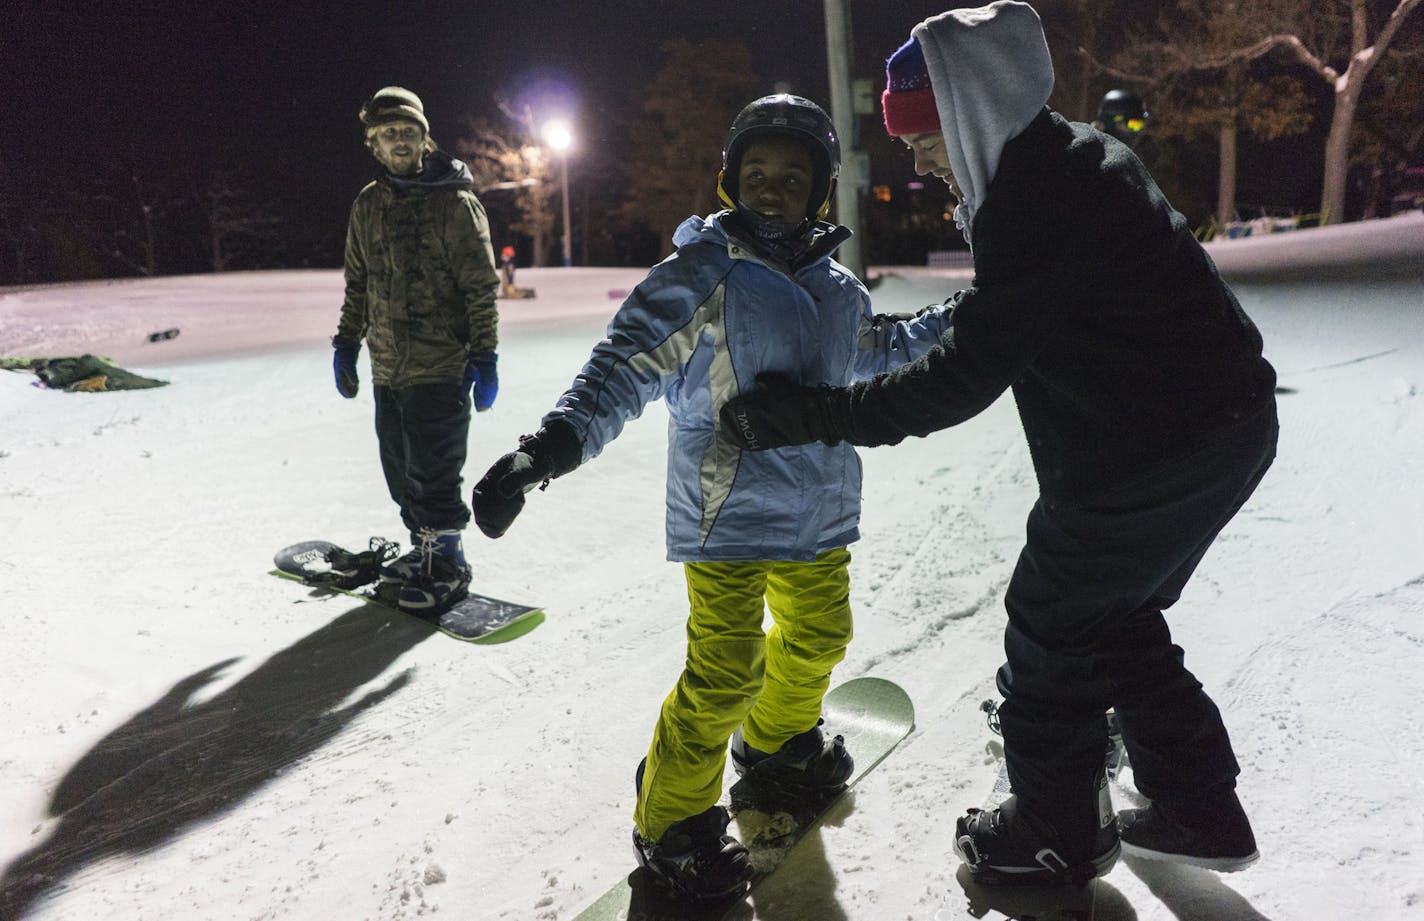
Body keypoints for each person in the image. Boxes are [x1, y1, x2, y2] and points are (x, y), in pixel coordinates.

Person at [720, 1, 1278, 887]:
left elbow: (959, 382)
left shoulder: (1035, 202)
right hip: (1218, 428)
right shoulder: (1068, 161)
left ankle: (1054, 833)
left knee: (1052, 626)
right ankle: (1197, 806)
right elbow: (1004, 319)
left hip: (1151, 453)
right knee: (1114, 615)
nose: (919, 158)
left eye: (924, 137)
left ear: (969, 110)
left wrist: (808, 414)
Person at [470, 94, 952, 901]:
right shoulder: (703, 273)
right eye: (755, 173)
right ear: (730, 180)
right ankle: (673, 823)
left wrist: (970, 319)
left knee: (821, 638)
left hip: (818, 512)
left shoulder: (838, 289)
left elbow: (878, 349)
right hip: (723, 510)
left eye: (792, 176)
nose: (772, 188)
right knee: (724, 670)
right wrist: (545, 449)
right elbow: (623, 366)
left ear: (820, 191)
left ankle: (776, 745)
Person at [331, 86, 502, 613]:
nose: (399, 141)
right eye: (388, 134)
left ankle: (447, 558)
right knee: (399, 466)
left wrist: (485, 354)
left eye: (407, 131)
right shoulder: (367, 205)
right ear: (373, 144)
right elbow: (357, 282)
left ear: (424, 139)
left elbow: (480, 284)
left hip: (440, 361)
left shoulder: (455, 202)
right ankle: (421, 548)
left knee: (435, 468)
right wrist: (346, 342)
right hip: (388, 364)